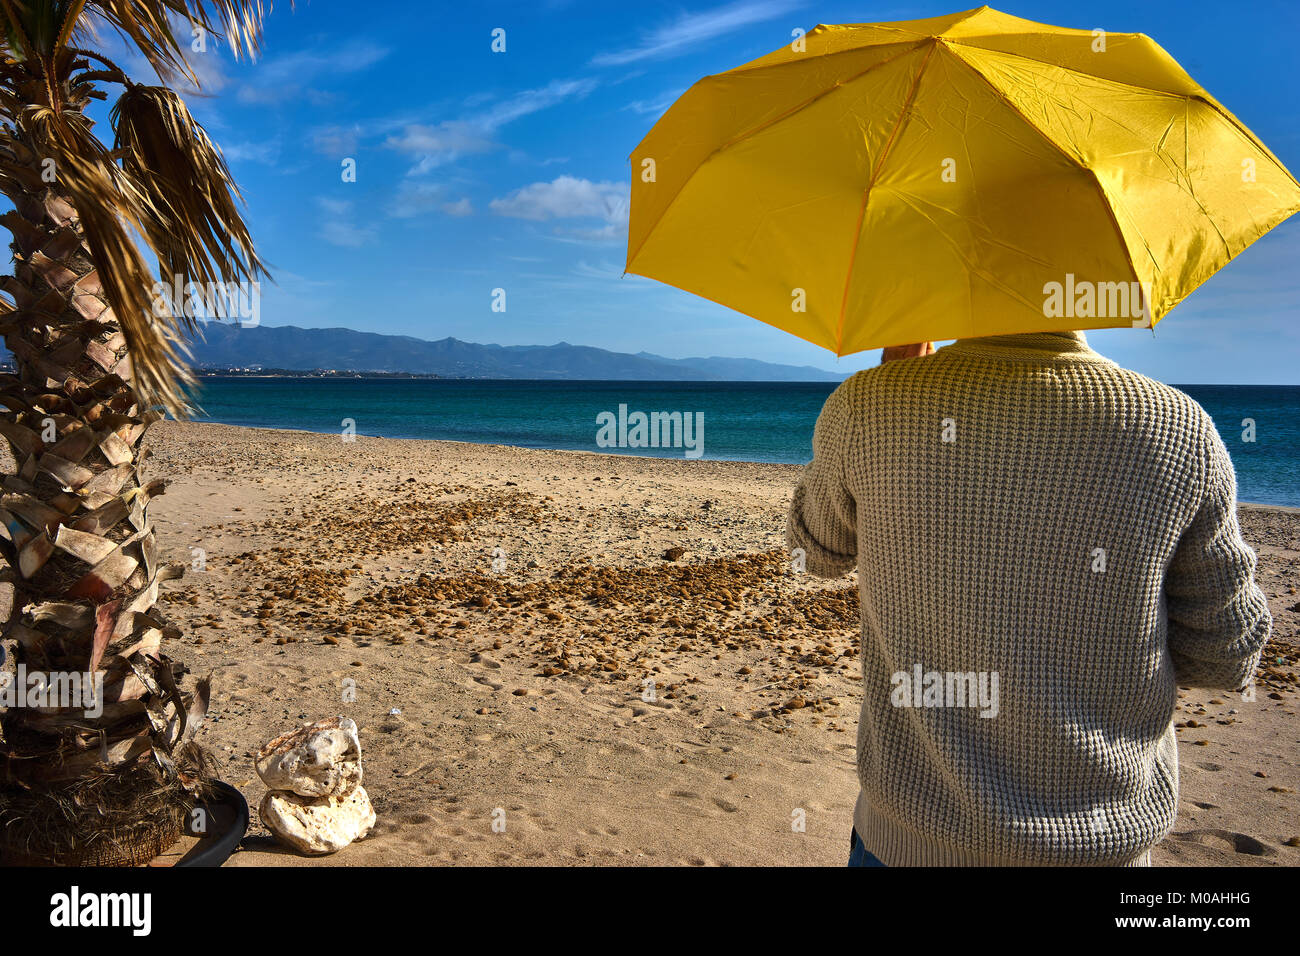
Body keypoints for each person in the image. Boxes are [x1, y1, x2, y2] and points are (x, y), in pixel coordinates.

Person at [787, 331, 1271, 867]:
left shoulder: (868, 405)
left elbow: (816, 554)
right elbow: (1225, 657)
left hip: (906, 844)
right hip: (1098, 843)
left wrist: (883, 393)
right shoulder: (1179, 428)